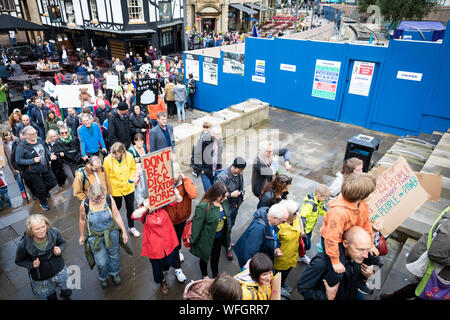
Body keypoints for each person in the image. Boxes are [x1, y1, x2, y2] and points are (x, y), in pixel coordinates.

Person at [319, 173, 379, 293]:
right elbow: (331, 239)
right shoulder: (339, 213)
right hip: (336, 243)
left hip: (352, 238)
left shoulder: (363, 205)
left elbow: (366, 224)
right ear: (362, 196)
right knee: (337, 272)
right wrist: (335, 261)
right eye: (371, 192)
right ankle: (327, 289)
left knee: (372, 258)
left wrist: (371, 244)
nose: (373, 194)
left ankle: (359, 281)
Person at [380, 206, 450, 300]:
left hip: (435, 269)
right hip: (433, 268)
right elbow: (435, 254)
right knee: (424, 291)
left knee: (421, 288)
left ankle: (392, 297)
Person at [297, 226, 374, 300]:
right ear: (345, 243)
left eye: (367, 249)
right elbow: (303, 288)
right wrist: (326, 297)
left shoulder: (356, 257)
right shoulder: (322, 262)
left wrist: (368, 277)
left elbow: (355, 280)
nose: (366, 255)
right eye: (360, 249)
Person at [78, 183, 130, 288]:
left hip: (111, 233)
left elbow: (116, 214)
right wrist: (82, 235)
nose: (99, 201)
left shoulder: (108, 199)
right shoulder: (85, 204)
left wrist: (124, 231)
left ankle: (115, 273)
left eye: (101, 198)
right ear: (90, 196)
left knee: (114, 255)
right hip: (95, 236)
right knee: (101, 261)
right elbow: (82, 219)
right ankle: (103, 277)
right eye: (95, 199)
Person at [15, 214, 72, 300]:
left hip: (59, 269)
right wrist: (32, 264)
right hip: (42, 277)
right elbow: (19, 261)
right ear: (30, 230)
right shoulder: (23, 244)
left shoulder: (54, 232)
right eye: (37, 229)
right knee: (50, 296)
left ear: (47, 225)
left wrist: (60, 249)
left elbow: (63, 243)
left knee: (66, 289)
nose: (41, 231)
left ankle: (66, 294)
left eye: (43, 227)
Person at [131, 197, 181, 295]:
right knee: (156, 265)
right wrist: (146, 206)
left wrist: (174, 193)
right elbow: (134, 215)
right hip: (153, 243)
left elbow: (178, 200)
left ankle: (165, 268)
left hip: (168, 240)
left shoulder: (162, 203)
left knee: (169, 260)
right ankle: (162, 281)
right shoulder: (144, 210)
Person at [164, 162, 197, 283]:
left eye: (175, 176)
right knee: (172, 242)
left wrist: (185, 179)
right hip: (170, 221)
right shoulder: (165, 185)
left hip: (182, 218)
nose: (172, 179)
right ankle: (177, 268)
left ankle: (178, 251)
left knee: (178, 238)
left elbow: (193, 194)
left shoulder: (184, 182)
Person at [190, 182, 231, 279]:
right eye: (224, 197)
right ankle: (204, 275)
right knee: (204, 258)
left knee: (216, 257)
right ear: (217, 195)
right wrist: (193, 240)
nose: (225, 199)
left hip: (219, 238)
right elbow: (196, 225)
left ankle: (215, 274)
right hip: (206, 239)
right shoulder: (204, 206)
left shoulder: (223, 202)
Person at [234, 203, 289, 269]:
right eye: (283, 221)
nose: (283, 223)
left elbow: (273, 236)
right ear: (274, 218)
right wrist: (256, 271)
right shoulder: (258, 229)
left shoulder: (270, 221)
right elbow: (249, 255)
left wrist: (276, 247)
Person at [15, 126, 57, 210]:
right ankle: (43, 203)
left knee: (53, 182)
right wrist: (33, 160)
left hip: (45, 167)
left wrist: (50, 154)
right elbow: (18, 160)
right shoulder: (21, 147)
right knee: (40, 188)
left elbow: (44, 149)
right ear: (26, 136)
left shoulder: (39, 139)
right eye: (32, 134)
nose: (35, 135)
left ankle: (43, 192)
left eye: (35, 132)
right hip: (34, 172)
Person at [103, 142, 139, 238]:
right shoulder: (107, 160)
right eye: (112, 153)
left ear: (123, 152)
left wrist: (132, 177)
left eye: (116, 154)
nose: (113, 156)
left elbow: (133, 168)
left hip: (128, 187)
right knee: (115, 209)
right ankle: (114, 228)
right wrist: (107, 190)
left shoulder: (130, 156)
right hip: (115, 190)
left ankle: (131, 227)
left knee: (130, 207)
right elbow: (105, 176)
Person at [215, 156, 246, 260]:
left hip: (235, 205)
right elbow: (217, 195)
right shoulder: (222, 177)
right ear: (234, 167)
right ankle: (227, 246)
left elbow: (241, 186)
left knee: (231, 225)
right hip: (226, 207)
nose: (241, 172)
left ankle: (226, 240)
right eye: (240, 170)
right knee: (227, 228)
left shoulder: (239, 174)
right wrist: (230, 195)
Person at [272, 199, 302, 296]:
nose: (297, 213)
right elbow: (273, 241)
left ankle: (282, 284)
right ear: (287, 215)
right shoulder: (279, 225)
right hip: (282, 258)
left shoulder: (296, 218)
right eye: (295, 213)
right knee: (279, 274)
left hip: (293, 255)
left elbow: (299, 227)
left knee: (287, 272)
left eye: (297, 211)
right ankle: (277, 287)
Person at [299, 184, 331, 264]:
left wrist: (329, 214)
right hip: (305, 230)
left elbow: (322, 210)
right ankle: (301, 256)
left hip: (309, 228)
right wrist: (303, 231)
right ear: (318, 195)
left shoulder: (319, 201)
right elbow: (303, 217)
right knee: (306, 245)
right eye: (325, 198)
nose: (326, 199)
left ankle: (300, 254)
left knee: (305, 244)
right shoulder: (310, 204)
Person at [192, 125, 223, 192]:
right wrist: (200, 170)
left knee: (216, 191)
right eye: (218, 134)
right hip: (205, 171)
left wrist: (220, 167)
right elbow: (196, 155)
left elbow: (219, 154)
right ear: (212, 133)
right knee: (209, 193)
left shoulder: (219, 139)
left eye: (220, 133)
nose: (220, 136)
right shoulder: (203, 140)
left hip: (216, 169)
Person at [2, 130, 27, 199]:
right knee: (18, 178)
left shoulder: (16, 140)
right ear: (4, 137)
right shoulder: (4, 145)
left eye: (9, 134)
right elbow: (3, 156)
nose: (8, 137)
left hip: (21, 160)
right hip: (13, 163)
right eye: (6, 135)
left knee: (26, 175)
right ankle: (22, 191)